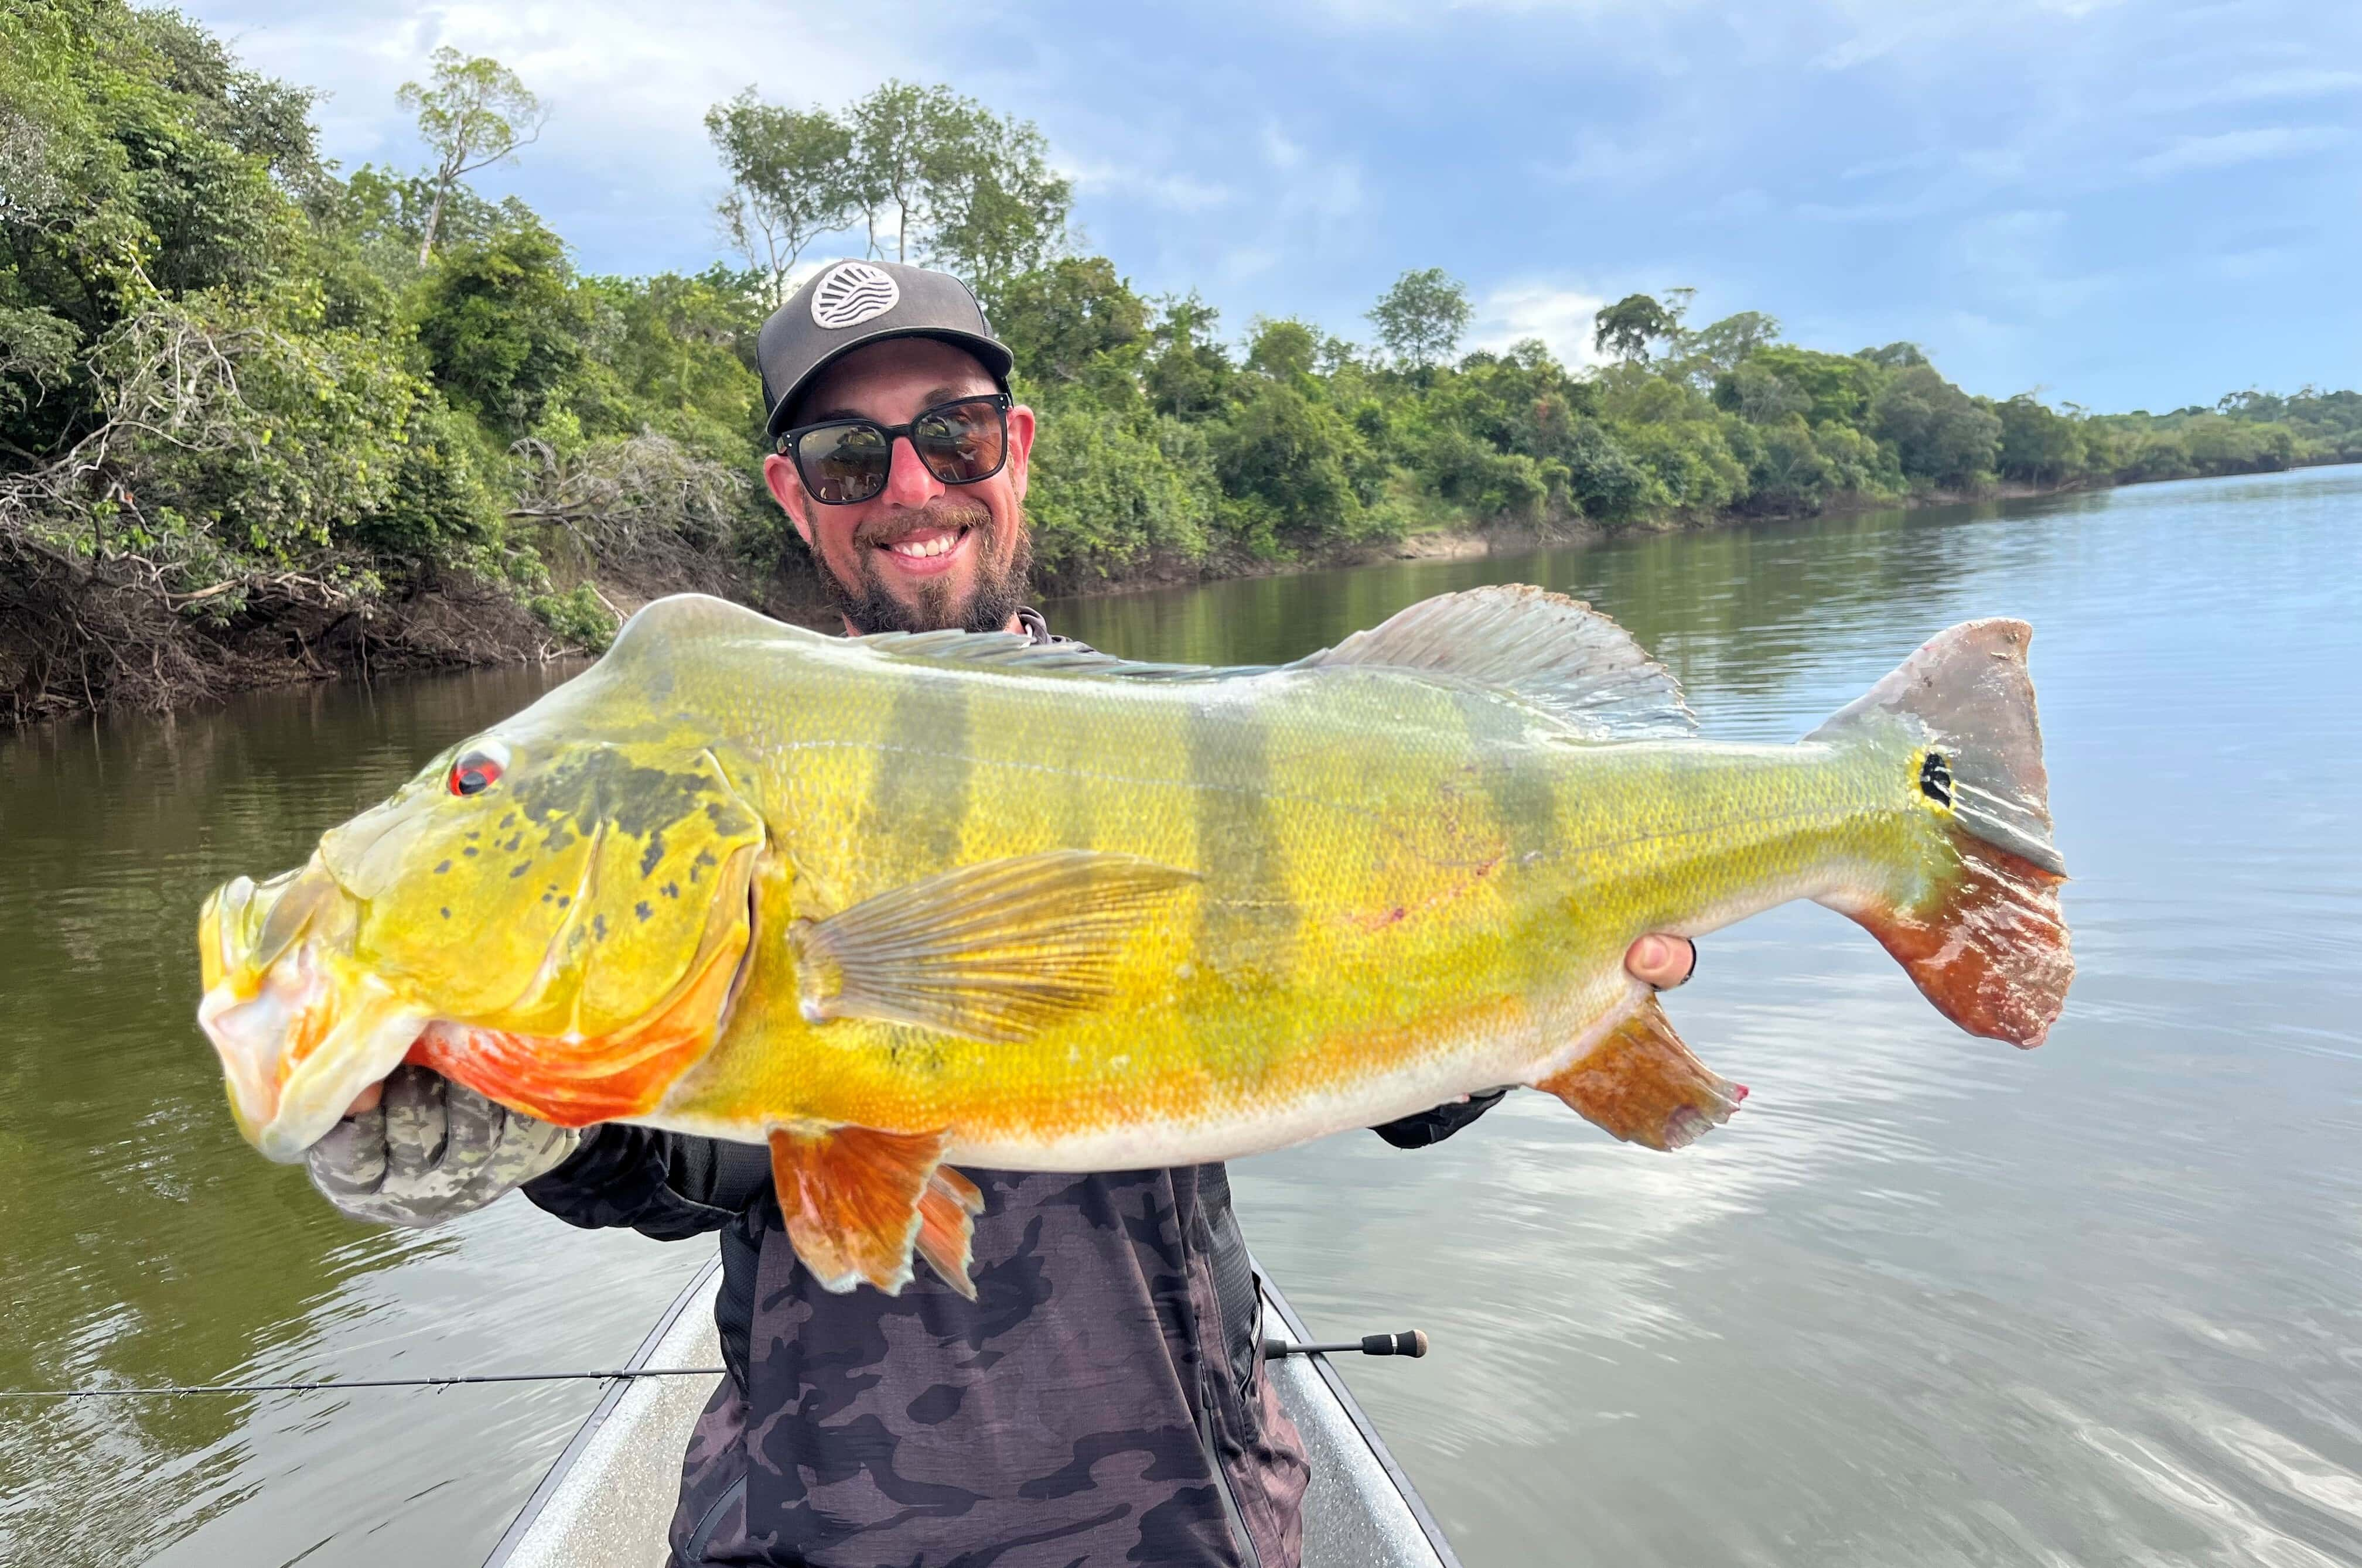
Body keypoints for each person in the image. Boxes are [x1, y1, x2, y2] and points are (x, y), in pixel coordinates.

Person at [307, 259, 1700, 1567]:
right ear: (795, 496)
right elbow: (661, 1177)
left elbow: (1394, 1078)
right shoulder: (703, 771)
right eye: (853, 455)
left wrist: (1558, 1001)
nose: (911, 487)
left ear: (1016, 450)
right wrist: (521, 1124)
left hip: (1177, 1509)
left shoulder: (1201, 744)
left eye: (954, 436)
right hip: (808, 1520)